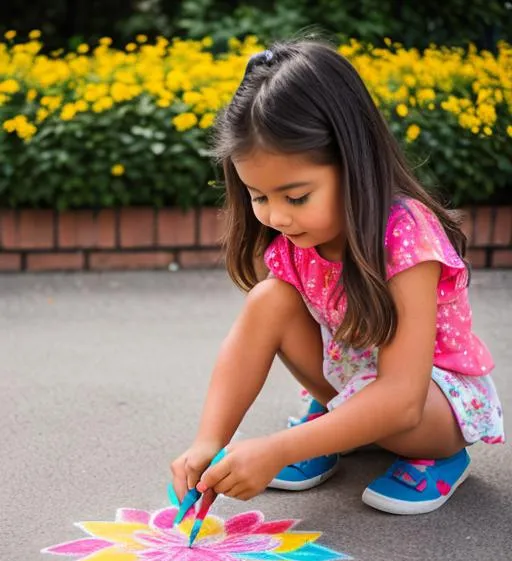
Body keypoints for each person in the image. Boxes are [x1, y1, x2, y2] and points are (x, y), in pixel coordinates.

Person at [170, 39, 504, 515]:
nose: (277, 217)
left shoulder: (404, 234)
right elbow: (251, 339)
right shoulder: (300, 237)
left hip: (430, 402)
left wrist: (283, 448)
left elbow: (403, 398)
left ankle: (439, 457)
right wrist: (208, 442)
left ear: (353, 162)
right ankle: (337, 426)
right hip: (359, 380)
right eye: (258, 197)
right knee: (269, 299)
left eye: (297, 196)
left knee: (401, 421)